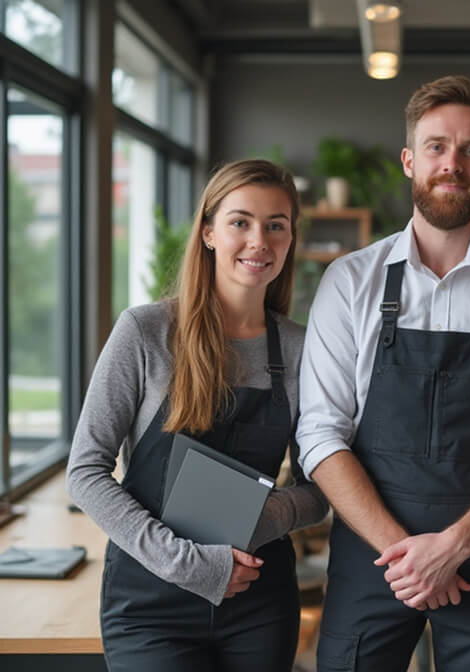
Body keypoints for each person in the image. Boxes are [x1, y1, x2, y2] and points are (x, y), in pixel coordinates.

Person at [297, 75, 470, 671]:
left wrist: (455, 545)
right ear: (409, 160)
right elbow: (319, 433)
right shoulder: (351, 281)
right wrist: (408, 556)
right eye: (437, 147)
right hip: (373, 558)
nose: (453, 163)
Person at [67, 159, 329, 672]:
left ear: (290, 239)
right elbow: (85, 471)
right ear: (208, 232)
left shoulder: (304, 349)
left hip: (259, 596)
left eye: (276, 225)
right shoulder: (145, 333)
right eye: (240, 222)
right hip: (150, 601)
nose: (259, 240)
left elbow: (320, 487)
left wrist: (263, 518)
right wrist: (188, 562)